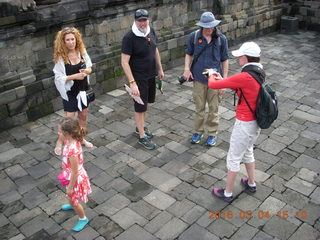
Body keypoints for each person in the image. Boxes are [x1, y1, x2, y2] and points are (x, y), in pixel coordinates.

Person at [207, 42, 263, 202]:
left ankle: (227, 193)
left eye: (240, 56)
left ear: (245, 58)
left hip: (244, 124)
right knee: (248, 152)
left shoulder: (245, 76)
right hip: (255, 124)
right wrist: (223, 79)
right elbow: (243, 88)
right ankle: (251, 183)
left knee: (233, 158)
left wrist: (212, 73)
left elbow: (212, 85)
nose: (238, 58)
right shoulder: (259, 71)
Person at [183, 12, 229, 146]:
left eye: (211, 27)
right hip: (198, 78)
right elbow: (188, 53)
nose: (209, 30)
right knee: (199, 108)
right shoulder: (194, 37)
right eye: (206, 27)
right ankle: (198, 131)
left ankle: (212, 134)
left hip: (215, 81)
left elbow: (225, 60)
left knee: (214, 109)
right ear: (201, 26)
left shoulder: (221, 39)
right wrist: (186, 69)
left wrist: (224, 82)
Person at [121, 9, 164, 150]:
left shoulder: (150, 31)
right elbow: (124, 62)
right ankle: (142, 136)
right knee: (139, 107)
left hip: (151, 74)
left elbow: (155, 49)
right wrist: (132, 83)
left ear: (148, 20)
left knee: (145, 104)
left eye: (144, 20)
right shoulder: (129, 37)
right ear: (135, 21)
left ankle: (140, 127)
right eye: (140, 20)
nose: (142, 23)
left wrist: (160, 68)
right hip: (138, 78)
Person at [53, 26, 93, 155]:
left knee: (83, 117)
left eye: (73, 39)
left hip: (83, 90)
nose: (71, 42)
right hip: (70, 93)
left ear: (77, 39)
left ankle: (81, 139)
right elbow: (58, 78)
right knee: (68, 121)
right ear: (63, 42)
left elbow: (90, 67)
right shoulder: (61, 58)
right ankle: (60, 142)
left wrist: (87, 71)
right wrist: (74, 76)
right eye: (68, 40)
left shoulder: (81, 52)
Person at [58, 117, 92, 231]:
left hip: (75, 178)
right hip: (71, 175)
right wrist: (86, 143)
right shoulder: (73, 138)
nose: (58, 134)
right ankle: (72, 204)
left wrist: (70, 188)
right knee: (72, 199)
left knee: (74, 199)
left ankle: (83, 218)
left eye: (60, 132)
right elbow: (81, 138)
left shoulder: (72, 151)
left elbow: (75, 172)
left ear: (67, 134)